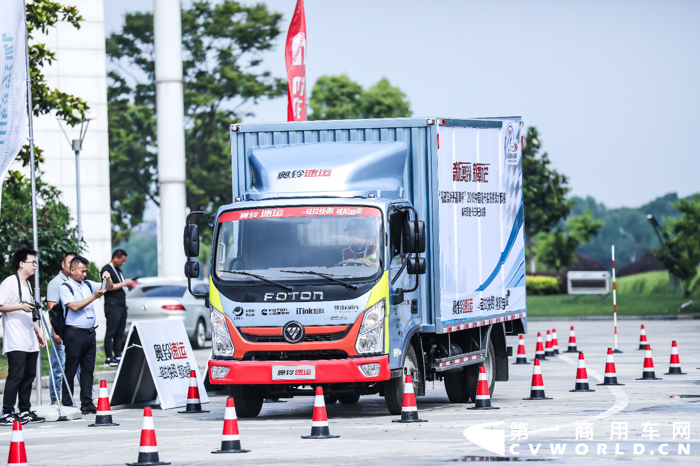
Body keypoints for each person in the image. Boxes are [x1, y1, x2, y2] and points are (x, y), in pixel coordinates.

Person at [60, 256, 113, 415]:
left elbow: (108, 288)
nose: (84, 274)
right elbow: (74, 306)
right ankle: (68, 402)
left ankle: (87, 402)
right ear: (72, 270)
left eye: (85, 271)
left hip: (89, 332)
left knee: (88, 369)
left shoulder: (88, 284)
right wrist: (93, 297)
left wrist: (107, 277)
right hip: (74, 333)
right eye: (81, 271)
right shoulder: (66, 287)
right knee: (71, 368)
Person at [0, 248, 47, 425]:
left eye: (36, 262)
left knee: (29, 376)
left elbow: (29, 311)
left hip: (29, 339)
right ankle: (7, 412)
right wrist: (20, 306)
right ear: (21, 264)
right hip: (16, 339)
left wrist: (38, 331)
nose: (35, 265)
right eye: (32, 262)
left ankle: (25, 410)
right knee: (16, 375)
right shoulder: (10, 282)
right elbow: (1, 305)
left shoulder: (28, 285)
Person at [100, 249, 134, 366]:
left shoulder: (118, 270)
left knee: (120, 332)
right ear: (115, 258)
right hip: (112, 305)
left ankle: (118, 354)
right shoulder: (107, 269)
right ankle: (109, 357)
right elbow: (108, 287)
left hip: (121, 305)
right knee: (111, 332)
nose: (122, 263)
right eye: (122, 260)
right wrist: (124, 283)